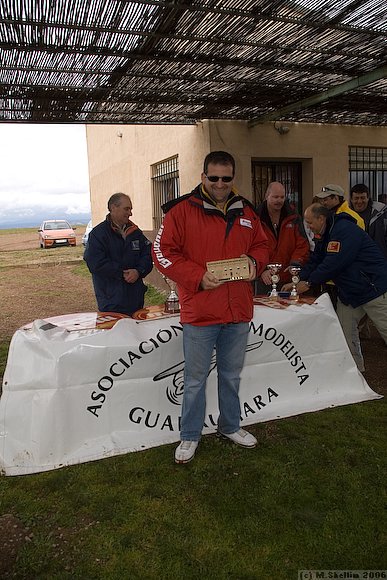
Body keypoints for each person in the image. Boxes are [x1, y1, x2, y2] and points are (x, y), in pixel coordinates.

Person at [152, 151, 269, 464]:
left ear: (233, 179)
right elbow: (163, 252)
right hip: (201, 312)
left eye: (226, 178)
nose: (220, 184)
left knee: (231, 376)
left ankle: (230, 425)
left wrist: (255, 262)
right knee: (194, 380)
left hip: (237, 311)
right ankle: (189, 435)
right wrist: (197, 277)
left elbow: (262, 245)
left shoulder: (246, 210)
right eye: (213, 177)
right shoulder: (180, 212)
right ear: (203, 177)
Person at [283, 203, 387, 371]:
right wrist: (298, 279)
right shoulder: (324, 234)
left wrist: (309, 283)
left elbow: (334, 263)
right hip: (349, 293)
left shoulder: (344, 230)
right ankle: (354, 371)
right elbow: (316, 260)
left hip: (373, 288)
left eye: (310, 222)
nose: (308, 227)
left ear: (321, 218)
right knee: (345, 334)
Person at [84, 192, 153, 315]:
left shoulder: (136, 233)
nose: (130, 213)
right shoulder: (98, 234)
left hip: (135, 300)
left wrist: (138, 271)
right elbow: (94, 263)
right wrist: (122, 273)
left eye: (131, 209)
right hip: (110, 301)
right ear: (113, 207)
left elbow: (148, 255)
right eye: (126, 209)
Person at [255, 181, 310, 294]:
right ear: (267, 196)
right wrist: (262, 270)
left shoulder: (294, 216)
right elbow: (251, 247)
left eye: (282, 197)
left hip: (288, 278)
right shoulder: (255, 217)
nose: (279, 200)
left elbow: (302, 244)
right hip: (265, 279)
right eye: (275, 197)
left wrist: (295, 264)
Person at [350, 183, 387, 258]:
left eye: (362, 198)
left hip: (379, 261)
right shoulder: (345, 215)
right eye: (356, 198)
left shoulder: (382, 213)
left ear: (368, 198)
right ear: (351, 199)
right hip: (355, 261)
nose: (359, 201)